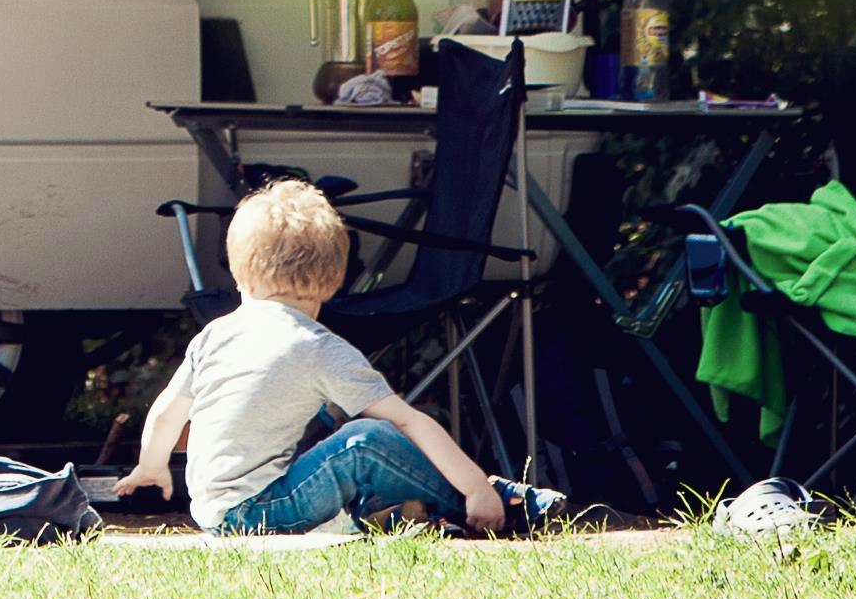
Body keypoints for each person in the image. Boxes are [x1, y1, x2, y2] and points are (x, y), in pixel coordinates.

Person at [113, 179, 564, 537]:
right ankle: (495, 502)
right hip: (257, 515)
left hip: (214, 513)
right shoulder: (316, 346)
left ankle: (403, 512)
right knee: (366, 438)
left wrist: (151, 469)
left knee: (333, 426)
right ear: (333, 278)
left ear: (237, 270)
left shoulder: (214, 334)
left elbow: (168, 412)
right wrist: (474, 485)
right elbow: (408, 422)